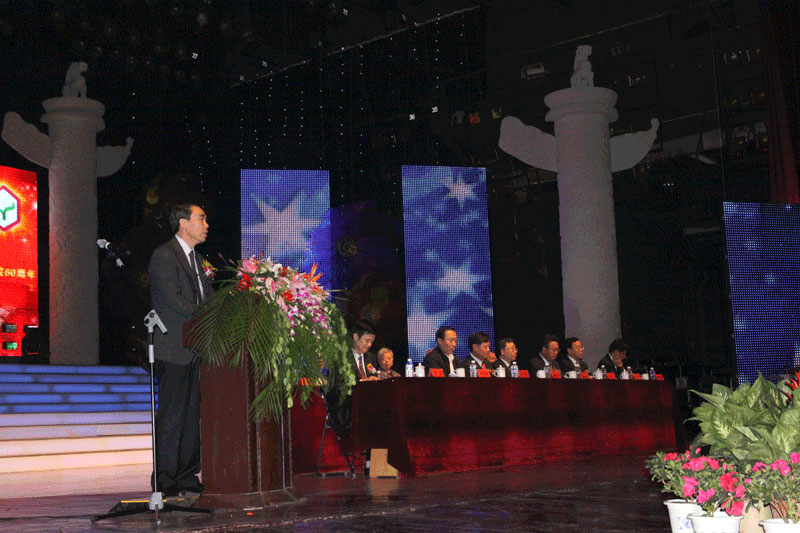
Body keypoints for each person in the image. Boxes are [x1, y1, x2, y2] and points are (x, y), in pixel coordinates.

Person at [147, 203, 211, 496]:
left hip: (196, 349)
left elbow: (208, 297)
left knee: (191, 415)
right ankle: (165, 477)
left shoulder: (199, 260)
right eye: (201, 219)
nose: (206, 225)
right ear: (183, 223)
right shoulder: (164, 255)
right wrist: (207, 315)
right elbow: (172, 300)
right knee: (172, 415)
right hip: (173, 348)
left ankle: (186, 474)